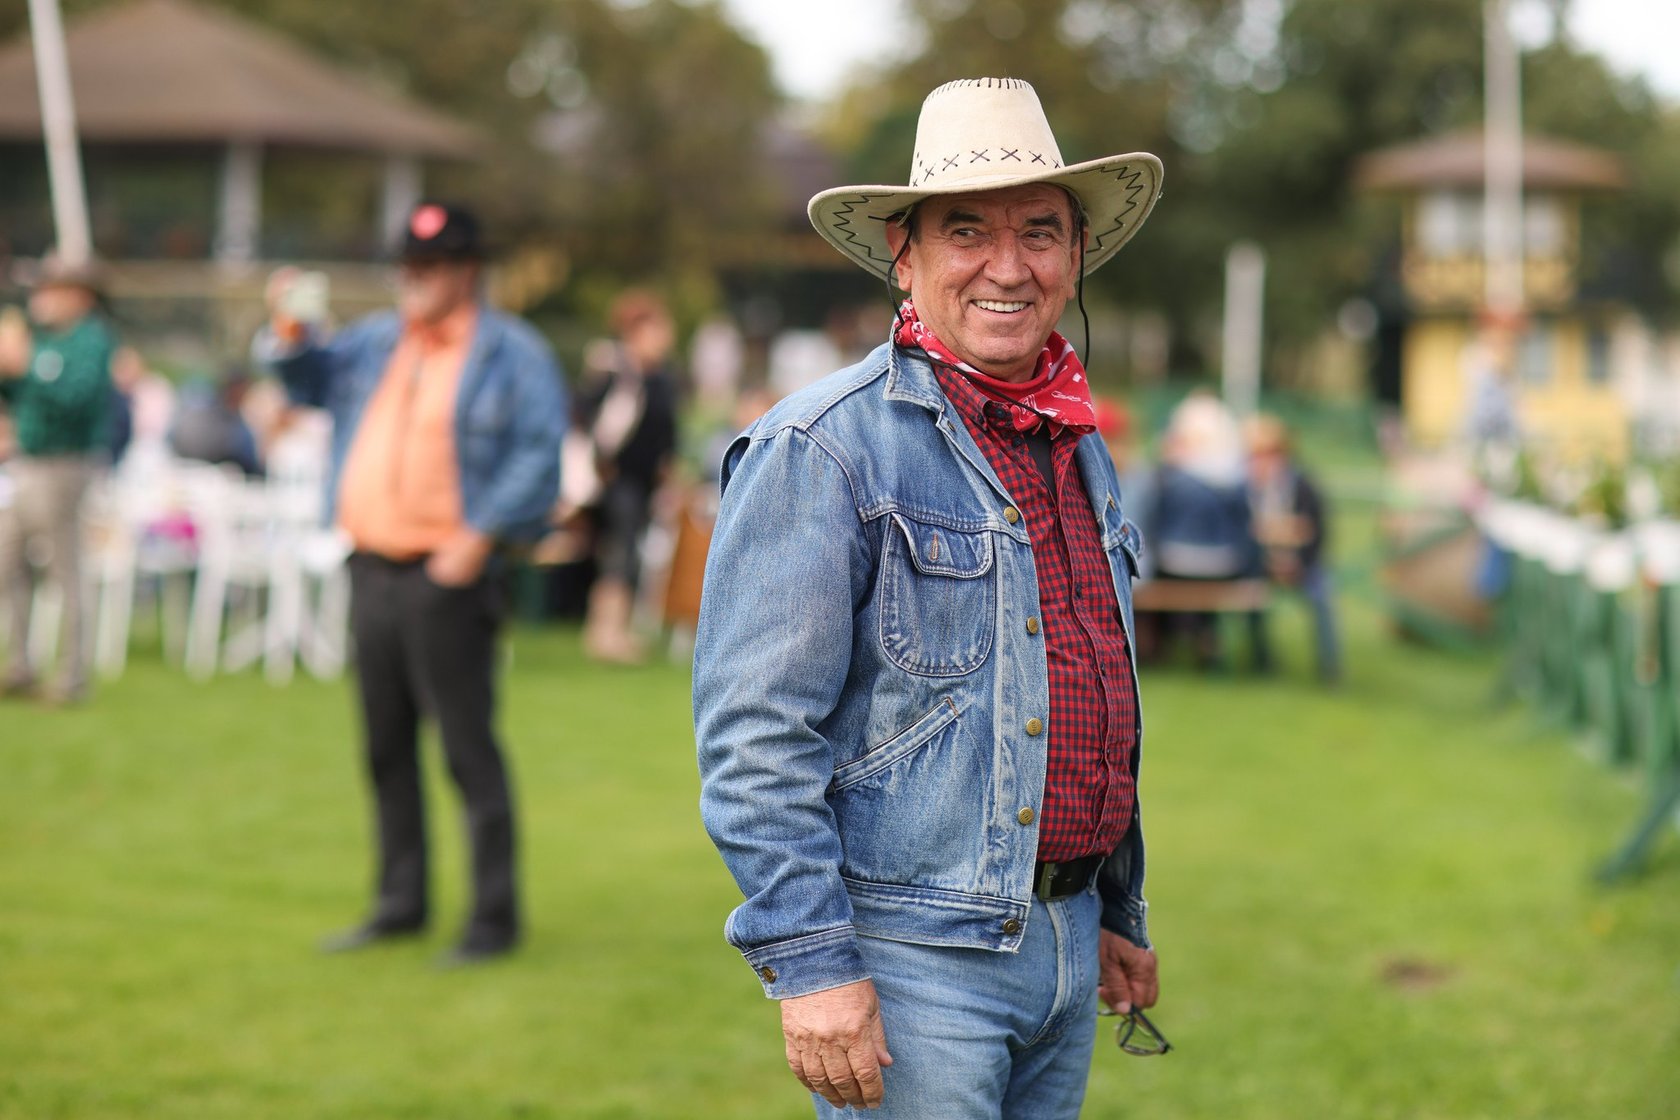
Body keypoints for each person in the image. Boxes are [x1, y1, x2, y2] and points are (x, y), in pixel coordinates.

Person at [694, 78, 1166, 1116]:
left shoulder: (1075, 442)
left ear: (1077, 254)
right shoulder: (822, 446)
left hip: (1063, 938)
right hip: (914, 963)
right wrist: (811, 963)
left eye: (1039, 231)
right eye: (967, 232)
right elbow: (754, 733)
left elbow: (1086, 686)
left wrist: (1111, 909)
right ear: (903, 256)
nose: (1009, 265)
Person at [255, 202, 566, 966]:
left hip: (448, 576)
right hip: (372, 566)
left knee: (467, 751)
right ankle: (400, 903)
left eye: (429, 267)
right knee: (384, 748)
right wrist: (289, 327)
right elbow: (306, 380)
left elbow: (539, 454)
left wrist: (479, 535)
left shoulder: (513, 353)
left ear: (468, 271)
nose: (413, 280)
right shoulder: (376, 340)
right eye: (406, 266)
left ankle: (492, 919)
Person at [0, 257, 117, 705]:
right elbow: (18, 395)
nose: (41, 299)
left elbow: (74, 398)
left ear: (78, 296)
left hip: (66, 463)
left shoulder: (91, 340)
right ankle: (19, 664)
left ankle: (71, 676)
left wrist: (25, 367)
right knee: (8, 560)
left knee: (64, 567)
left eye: (51, 290)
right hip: (26, 461)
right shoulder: (42, 338)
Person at [576, 289, 679, 663]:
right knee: (618, 554)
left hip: (646, 482)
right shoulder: (615, 373)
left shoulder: (661, 378)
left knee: (627, 552)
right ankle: (606, 634)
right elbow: (584, 417)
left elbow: (665, 434)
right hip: (617, 481)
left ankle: (612, 630)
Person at [1245, 413, 1341, 683]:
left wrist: (1298, 563)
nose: (1262, 462)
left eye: (1268, 454)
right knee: (1250, 596)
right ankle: (1261, 660)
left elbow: (1318, 532)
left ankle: (1330, 668)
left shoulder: (1304, 485)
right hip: (1262, 565)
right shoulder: (1245, 488)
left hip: (1303, 564)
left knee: (1322, 597)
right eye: (1256, 455)